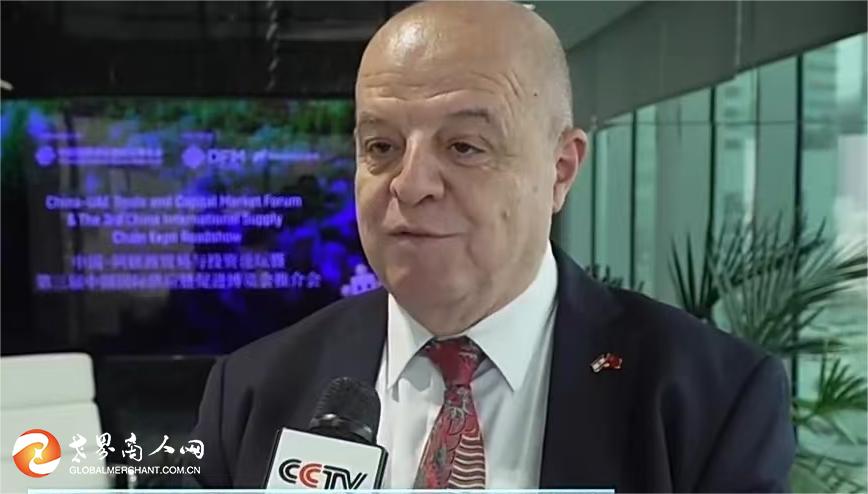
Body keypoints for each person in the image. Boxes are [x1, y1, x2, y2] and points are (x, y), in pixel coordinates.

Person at [186, 1, 795, 490]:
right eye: (381, 147)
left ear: (560, 170)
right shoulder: (252, 390)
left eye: (464, 147)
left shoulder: (711, 399)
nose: (410, 184)